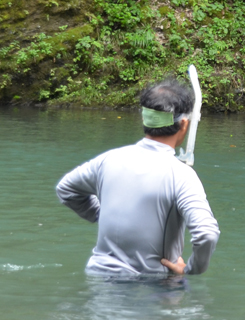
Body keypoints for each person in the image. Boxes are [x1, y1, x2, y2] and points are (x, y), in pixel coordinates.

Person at [56, 78, 220, 276]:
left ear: (145, 119)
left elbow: (66, 189)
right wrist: (190, 270)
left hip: (98, 275)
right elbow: (207, 234)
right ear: (184, 124)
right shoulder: (181, 175)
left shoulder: (108, 160)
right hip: (151, 286)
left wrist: (100, 213)